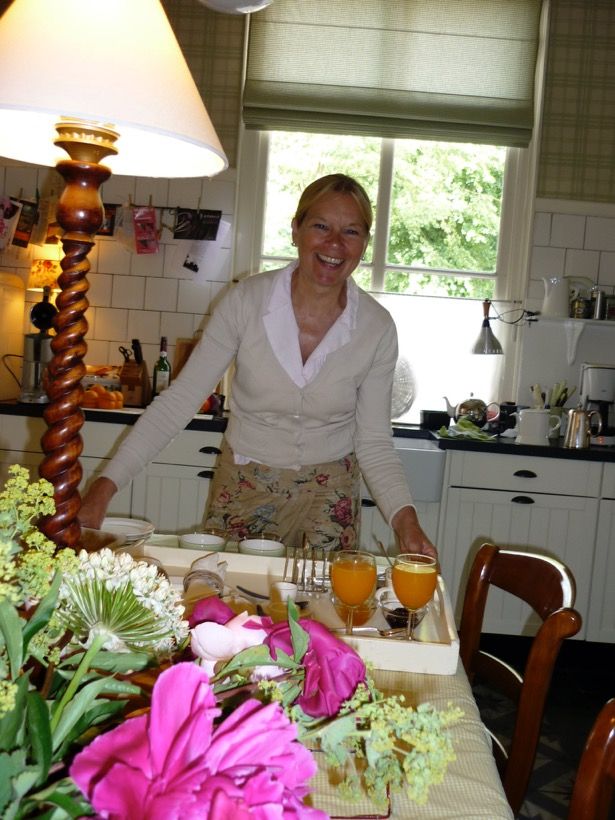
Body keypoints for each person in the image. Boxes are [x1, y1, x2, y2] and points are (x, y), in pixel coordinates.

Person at [79, 174, 436, 557]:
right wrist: (104, 487)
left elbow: (374, 442)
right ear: (296, 230)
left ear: (364, 244)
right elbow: (178, 402)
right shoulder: (245, 302)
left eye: (351, 231)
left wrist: (406, 523)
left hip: (330, 498)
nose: (335, 243)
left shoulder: (376, 327)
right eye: (321, 226)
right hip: (246, 485)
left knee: (322, 610)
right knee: (230, 603)